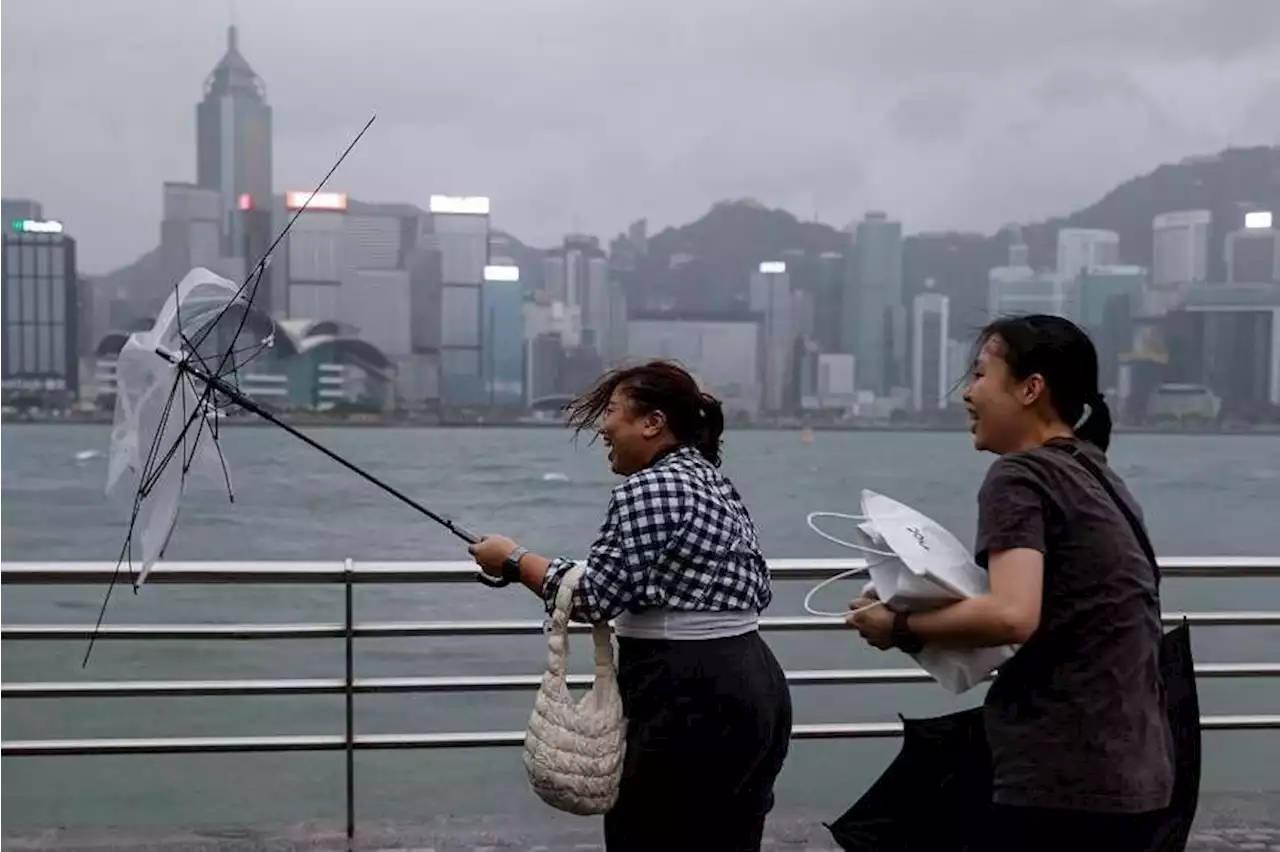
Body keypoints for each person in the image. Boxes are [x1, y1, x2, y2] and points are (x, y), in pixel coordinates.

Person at [846, 315, 1174, 852]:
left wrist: (898, 624)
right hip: (1136, 765)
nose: (967, 394)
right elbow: (1075, 615)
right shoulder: (1095, 473)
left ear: (1030, 388)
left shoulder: (1020, 476)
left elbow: (1012, 615)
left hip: (1062, 777)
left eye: (978, 375)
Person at [468, 360, 793, 852]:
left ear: (652, 422)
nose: (605, 425)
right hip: (753, 679)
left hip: (689, 690)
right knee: (729, 835)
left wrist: (513, 559)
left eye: (614, 410)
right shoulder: (709, 480)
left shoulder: (650, 487)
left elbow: (595, 596)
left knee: (648, 833)